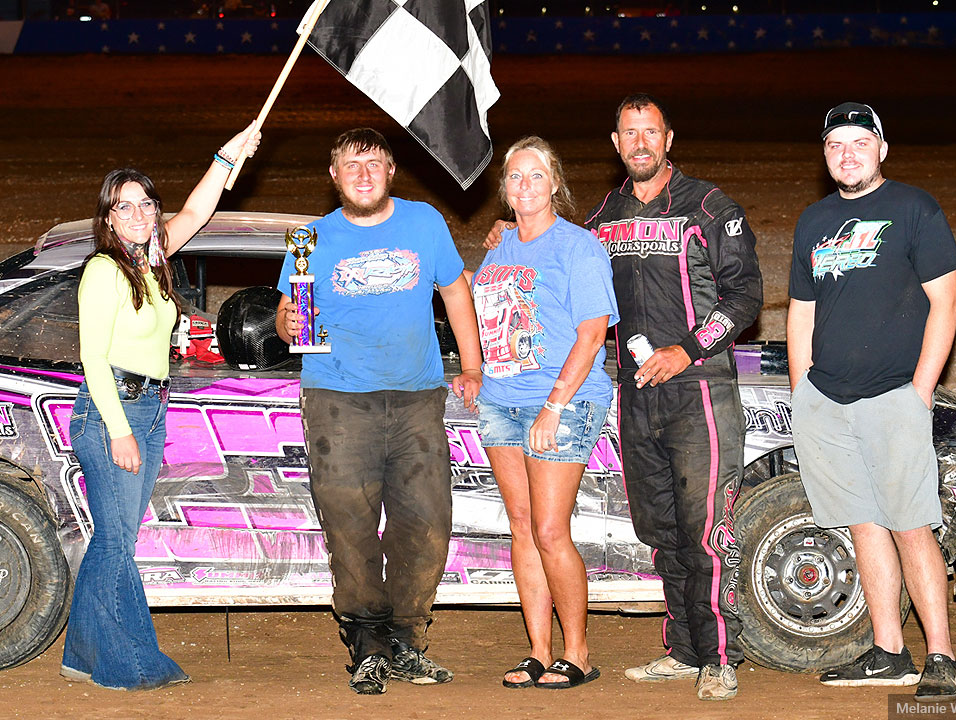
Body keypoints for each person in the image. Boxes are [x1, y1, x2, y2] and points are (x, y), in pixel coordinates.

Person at [489, 94, 762, 700]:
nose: (640, 143)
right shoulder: (602, 217)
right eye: (628, 133)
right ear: (615, 144)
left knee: (705, 527)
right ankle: (683, 649)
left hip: (698, 391)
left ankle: (719, 655)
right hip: (636, 394)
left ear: (669, 139)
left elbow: (745, 297)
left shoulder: (708, 207)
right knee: (660, 526)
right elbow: (557, 260)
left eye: (651, 132)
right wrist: (511, 231)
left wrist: (687, 350)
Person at [274, 128, 483, 695]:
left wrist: (472, 365)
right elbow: (288, 308)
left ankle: (407, 642)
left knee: (426, 526)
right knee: (350, 528)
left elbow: (456, 292)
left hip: (417, 398)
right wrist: (285, 323)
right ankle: (368, 644)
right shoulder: (309, 238)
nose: (363, 174)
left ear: (391, 170)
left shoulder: (425, 223)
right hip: (337, 402)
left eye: (373, 163)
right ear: (333, 176)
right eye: (350, 164)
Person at [63, 121, 261, 690]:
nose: (139, 214)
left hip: (151, 410)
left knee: (115, 537)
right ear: (108, 219)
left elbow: (198, 212)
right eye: (124, 207)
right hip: (110, 413)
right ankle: (127, 664)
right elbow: (93, 359)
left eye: (145, 203)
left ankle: (81, 656)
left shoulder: (154, 262)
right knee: (116, 540)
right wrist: (120, 430)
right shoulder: (105, 270)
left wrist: (229, 154)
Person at [786, 102, 956, 700]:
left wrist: (920, 390)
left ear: (882, 148)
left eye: (860, 142)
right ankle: (889, 648)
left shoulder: (914, 208)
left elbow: (947, 302)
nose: (847, 153)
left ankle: (941, 654)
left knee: (912, 525)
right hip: (826, 400)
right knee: (863, 525)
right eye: (835, 144)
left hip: (894, 396)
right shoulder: (813, 221)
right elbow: (802, 310)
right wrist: (801, 389)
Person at [473, 137, 619, 690]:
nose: (525, 186)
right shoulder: (499, 247)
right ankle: (538, 650)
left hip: (562, 400)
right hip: (501, 401)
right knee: (521, 528)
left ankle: (577, 652)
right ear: (504, 188)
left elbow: (592, 334)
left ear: (555, 182)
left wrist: (555, 404)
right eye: (514, 176)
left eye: (536, 175)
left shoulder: (578, 247)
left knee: (550, 529)